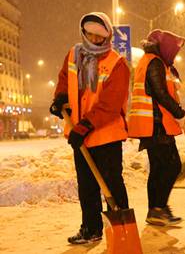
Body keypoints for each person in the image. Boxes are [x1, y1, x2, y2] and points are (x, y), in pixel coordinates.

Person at [49, 12, 130, 244]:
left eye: (99, 37)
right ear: (83, 32)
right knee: (86, 186)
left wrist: (86, 125)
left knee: (112, 183)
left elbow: (111, 104)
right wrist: (60, 98)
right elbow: (65, 79)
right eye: (90, 35)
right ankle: (91, 229)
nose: (94, 40)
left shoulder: (117, 63)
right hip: (80, 134)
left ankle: (122, 229)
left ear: (107, 37)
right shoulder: (74, 55)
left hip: (106, 134)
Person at [127, 29, 185, 226]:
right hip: (156, 125)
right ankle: (158, 207)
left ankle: (156, 209)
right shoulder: (155, 63)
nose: (174, 55)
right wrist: (179, 112)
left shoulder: (150, 61)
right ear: (165, 48)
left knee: (159, 168)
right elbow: (160, 93)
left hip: (151, 125)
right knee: (172, 165)